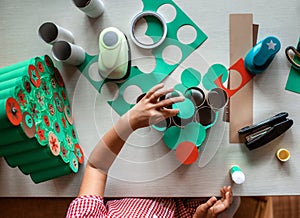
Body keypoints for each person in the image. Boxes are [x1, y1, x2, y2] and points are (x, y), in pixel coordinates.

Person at [66, 83, 236, 218]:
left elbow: (96, 167)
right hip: (184, 190)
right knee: (234, 197)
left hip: (147, 182)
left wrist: (129, 121)